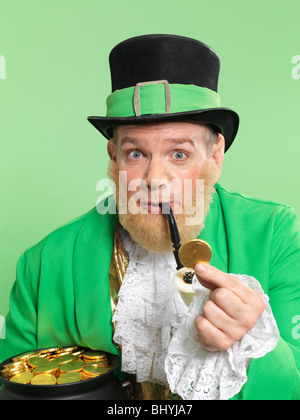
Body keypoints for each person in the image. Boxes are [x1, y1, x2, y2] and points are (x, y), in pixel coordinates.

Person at [1, 34, 300, 400]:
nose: (154, 180)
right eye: (136, 154)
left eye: (178, 154)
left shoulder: (275, 235)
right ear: (113, 157)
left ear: (215, 156)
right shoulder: (43, 265)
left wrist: (252, 342)